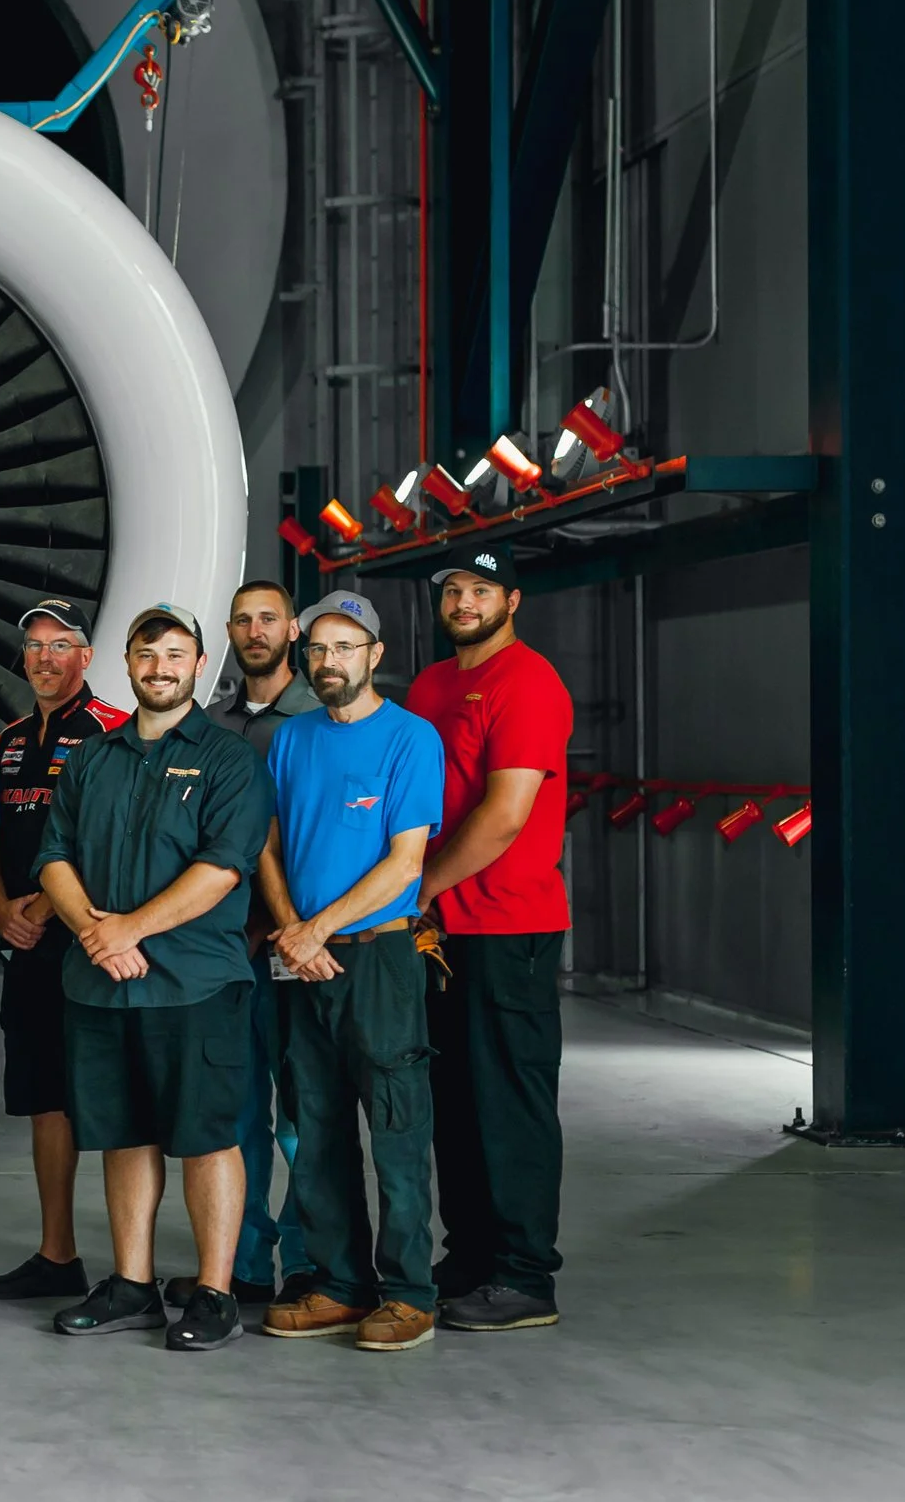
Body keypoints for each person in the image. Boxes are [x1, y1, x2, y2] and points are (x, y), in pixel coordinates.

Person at [34, 605, 273, 1352]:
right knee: (123, 1132)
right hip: (102, 983)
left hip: (195, 983)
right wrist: (95, 934)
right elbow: (54, 855)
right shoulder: (90, 758)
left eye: (175, 654)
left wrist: (128, 928)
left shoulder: (230, 760)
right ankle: (132, 1286)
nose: (160, 667)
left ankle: (215, 1293)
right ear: (127, 662)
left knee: (207, 1137)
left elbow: (223, 868)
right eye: (147, 653)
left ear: (199, 664)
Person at [256, 589, 446, 1353]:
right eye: (318, 648)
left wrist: (315, 929)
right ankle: (339, 1284)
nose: (329, 660)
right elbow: (267, 847)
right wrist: (291, 933)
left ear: (375, 654)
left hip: (377, 959)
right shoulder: (290, 738)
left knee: (396, 1129)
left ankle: (409, 1293)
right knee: (316, 1125)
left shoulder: (411, 738)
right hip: (302, 962)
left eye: (345, 646)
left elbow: (405, 862)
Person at [405, 545, 573, 1332]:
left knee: (510, 1099)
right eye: (453, 590)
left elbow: (505, 815)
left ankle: (524, 1273)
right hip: (442, 932)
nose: (464, 602)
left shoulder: (528, 682)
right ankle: (470, 1255)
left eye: (481, 589)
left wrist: (422, 885)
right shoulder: (432, 685)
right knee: (456, 1099)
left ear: (512, 600)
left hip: (510, 923)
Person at [0, 598, 127, 1303]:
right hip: (26, 948)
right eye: (34, 645)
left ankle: (133, 1268)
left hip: (90, 945)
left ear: (86, 656)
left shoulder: (112, 731)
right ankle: (57, 1254)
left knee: (115, 1099)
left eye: (60, 644)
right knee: (46, 1100)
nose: (44, 658)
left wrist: (37, 908)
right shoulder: (7, 740)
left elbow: (108, 841)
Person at [201, 579, 323, 1310]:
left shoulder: (319, 716)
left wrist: (295, 926)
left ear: (292, 631)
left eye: (268, 618)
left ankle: (308, 1261)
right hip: (226, 955)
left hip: (295, 946)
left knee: (304, 1118)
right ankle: (245, 1262)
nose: (255, 630)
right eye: (243, 619)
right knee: (238, 1114)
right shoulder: (212, 725)